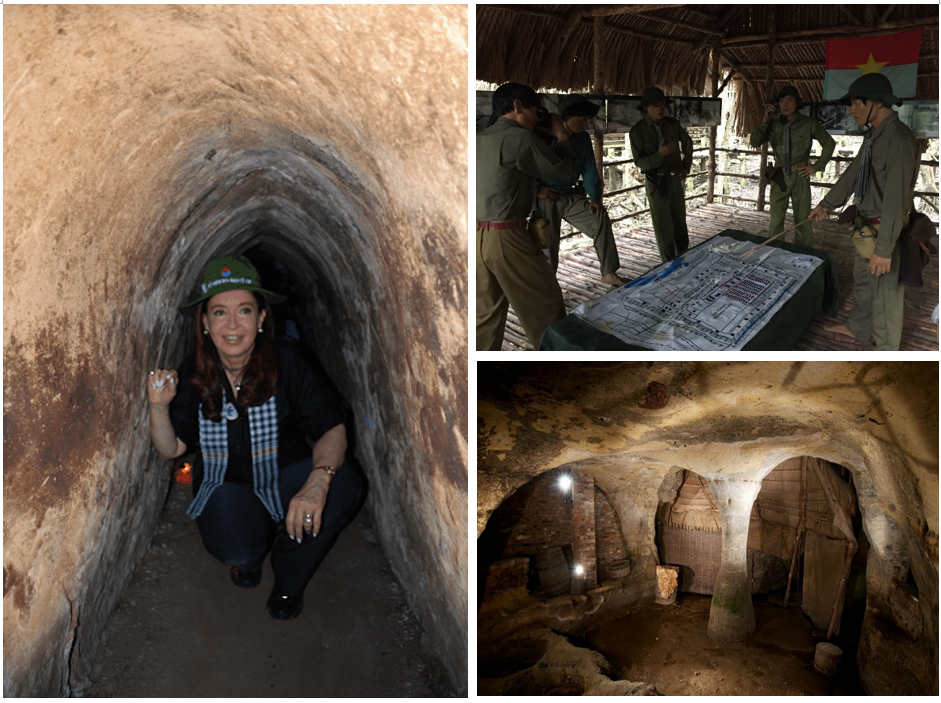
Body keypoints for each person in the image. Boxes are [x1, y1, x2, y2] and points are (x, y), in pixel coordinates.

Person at [147, 255, 363, 619]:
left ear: (261, 318)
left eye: (244, 311)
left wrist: (317, 481)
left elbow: (332, 426)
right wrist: (158, 408)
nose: (232, 324)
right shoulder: (195, 371)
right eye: (219, 312)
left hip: (284, 473)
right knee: (235, 545)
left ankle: (289, 577)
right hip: (225, 480)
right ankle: (248, 557)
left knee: (342, 484)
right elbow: (173, 449)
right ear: (204, 322)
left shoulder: (287, 360)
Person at [809, 74, 918, 351]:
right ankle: (857, 328)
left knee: (885, 298)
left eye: (857, 103)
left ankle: (886, 351)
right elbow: (853, 174)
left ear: (877, 103)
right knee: (864, 284)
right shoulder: (873, 137)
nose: (851, 110)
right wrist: (827, 205)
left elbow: (895, 200)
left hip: (885, 230)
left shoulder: (899, 140)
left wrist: (884, 250)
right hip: (866, 226)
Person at [476, 82, 576, 351]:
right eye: (534, 110)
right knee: (546, 306)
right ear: (518, 106)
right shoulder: (520, 139)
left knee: (485, 318)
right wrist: (562, 137)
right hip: (508, 238)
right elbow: (561, 169)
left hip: (477, 236)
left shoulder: (479, 138)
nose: (536, 118)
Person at [533, 95, 625, 287]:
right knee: (548, 244)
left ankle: (608, 272)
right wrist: (537, 189)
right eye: (581, 119)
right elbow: (525, 166)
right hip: (547, 197)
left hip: (569, 195)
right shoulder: (542, 137)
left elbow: (589, 168)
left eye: (587, 119)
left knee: (599, 219)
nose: (585, 123)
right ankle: (547, 288)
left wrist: (595, 198)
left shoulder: (582, 139)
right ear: (566, 116)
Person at [750, 85, 835, 247]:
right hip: (779, 175)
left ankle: (804, 253)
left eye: (790, 100)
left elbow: (829, 144)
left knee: (803, 219)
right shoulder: (773, 124)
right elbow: (754, 142)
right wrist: (765, 120)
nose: (785, 104)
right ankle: (775, 250)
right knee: (776, 219)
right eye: (782, 101)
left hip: (800, 175)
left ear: (797, 103)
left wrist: (816, 167)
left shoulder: (809, 124)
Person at [629, 87, 694, 263]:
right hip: (655, 182)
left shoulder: (672, 124)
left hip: (675, 178)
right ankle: (668, 264)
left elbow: (688, 143)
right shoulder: (637, 131)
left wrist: (686, 167)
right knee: (663, 225)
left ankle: (684, 257)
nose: (659, 109)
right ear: (646, 107)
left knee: (680, 221)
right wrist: (660, 154)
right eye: (654, 105)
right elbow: (640, 162)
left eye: (662, 104)